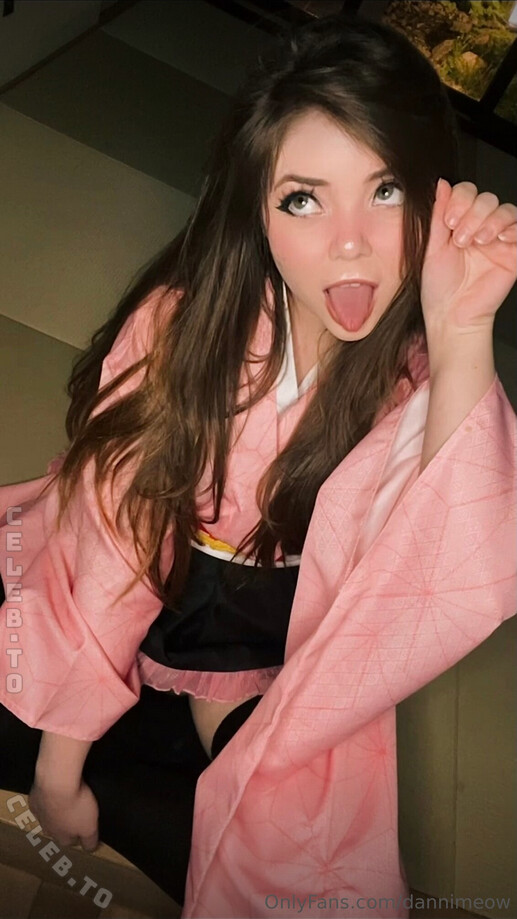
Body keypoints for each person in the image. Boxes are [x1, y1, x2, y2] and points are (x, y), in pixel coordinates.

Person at [1, 11, 516, 917]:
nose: (349, 241)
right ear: (258, 211)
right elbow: (111, 551)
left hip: (265, 639)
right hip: (146, 582)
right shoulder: (182, 330)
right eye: (303, 199)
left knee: (291, 868)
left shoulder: (416, 381)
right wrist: (58, 768)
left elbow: (439, 565)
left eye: (386, 189)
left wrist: (462, 327)